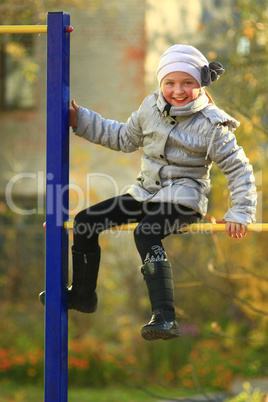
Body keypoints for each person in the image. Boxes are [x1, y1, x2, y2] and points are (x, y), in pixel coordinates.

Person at [40, 44, 257, 341]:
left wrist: (240, 211)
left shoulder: (212, 125)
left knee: (145, 232)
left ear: (201, 85)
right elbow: (123, 137)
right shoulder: (149, 108)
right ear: (160, 84)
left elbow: (239, 169)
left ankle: (165, 317)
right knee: (85, 222)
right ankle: (82, 295)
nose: (178, 91)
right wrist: (83, 121)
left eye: (187, 83)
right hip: (145, 193)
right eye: (170, 83)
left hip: (183, 199)